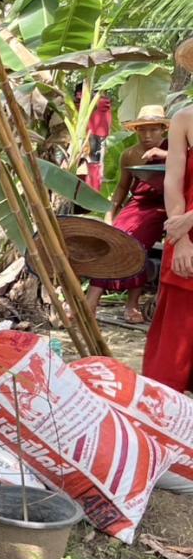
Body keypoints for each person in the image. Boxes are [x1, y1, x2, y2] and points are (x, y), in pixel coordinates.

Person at [85, 104, 169, 323]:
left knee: (135, 243)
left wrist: (166, 154)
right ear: (136, 131)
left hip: (166, 206)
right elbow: (122, 187)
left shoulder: (176, 148)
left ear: (163, 130)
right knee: (113, 241)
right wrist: (110, 214)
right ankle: (91, 301)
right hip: (138, 205)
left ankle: (131, 304)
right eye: (143, 130)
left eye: (153, 130)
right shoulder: (129, 155)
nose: (148, 135)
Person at [142, 93, 193, 393]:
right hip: (184, 233)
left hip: (187, 220)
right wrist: (182, 238)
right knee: (177, 331)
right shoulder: (183, 118)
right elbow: (173, 181)